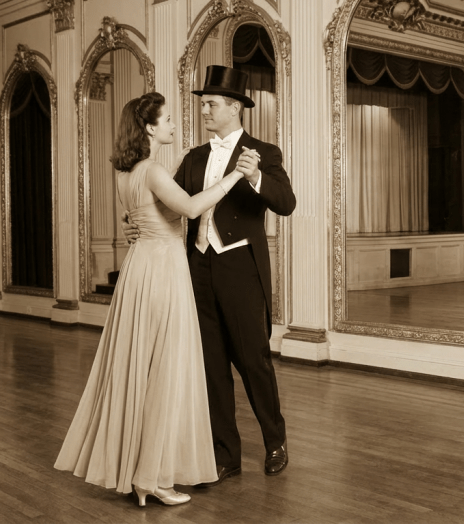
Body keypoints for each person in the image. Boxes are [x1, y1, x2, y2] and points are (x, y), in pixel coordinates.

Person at [55, 92, 243, 507]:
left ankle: (145, 473)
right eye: (169, 119)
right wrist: (234, 177)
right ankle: (152, 477)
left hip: (141, 269)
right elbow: (191, 208)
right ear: (150, 128)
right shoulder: (153, 170)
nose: (175, 124)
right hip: (162, 272)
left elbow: (140, 217)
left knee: (143, 369)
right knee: (165, 372)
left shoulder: (126, 172)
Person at [124, 65, 296, 485]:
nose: (204, 110)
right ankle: (225, 454)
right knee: (211, 365)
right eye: (203, 103)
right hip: (197, 268)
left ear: (234, 108)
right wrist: (138, 222)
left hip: (240, 268)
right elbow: (172, 204)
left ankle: (275, 441)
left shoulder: (264, 152)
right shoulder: (195, 157)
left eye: (211, 104)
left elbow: (287, 203)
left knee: (253, 360)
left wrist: (254, 176)